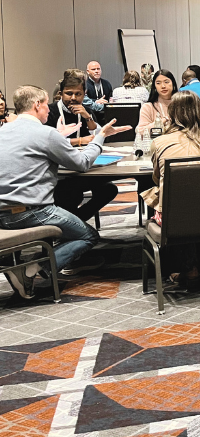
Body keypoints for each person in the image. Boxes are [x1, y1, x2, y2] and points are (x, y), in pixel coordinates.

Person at [0, 85, 128, 297]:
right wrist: (101, 136)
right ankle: (34, 270)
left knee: (76, 206)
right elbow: (82, 162)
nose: (49, 109)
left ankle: (40, 260)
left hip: (3, 213)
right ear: (36, 105)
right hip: (32, 211)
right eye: (46, 104)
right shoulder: (45, 134)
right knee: (88, 236)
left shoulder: (2, 131)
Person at [141, 91, 200, 287]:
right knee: (194, 201)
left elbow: (156, 177)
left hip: (175, 219)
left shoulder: (159, 142)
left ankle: (187, 268)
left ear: (172, 114)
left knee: (164, 200)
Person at [47, 71, 120, 227]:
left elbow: (97, 135)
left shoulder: (85, 110)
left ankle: (77, 221)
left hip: (85, 168)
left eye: (78, 94)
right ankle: (72, 228)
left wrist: (88, 117)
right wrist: (78, 141)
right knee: (71, 194)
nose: (73, 98)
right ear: (61, 94)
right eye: (69, 93)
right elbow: (47, 143)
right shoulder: (50, 112)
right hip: (60, 172)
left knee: (109, 189)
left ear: (84, 94)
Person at [137, 69, 178, 136]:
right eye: (158, 83)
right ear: (154, 87)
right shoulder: (148, 107)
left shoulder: (181, 104)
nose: (163, 86)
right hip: (155, 144)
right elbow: (140, 131)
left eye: (166, 82)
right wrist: (163, 120)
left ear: (173, 84)